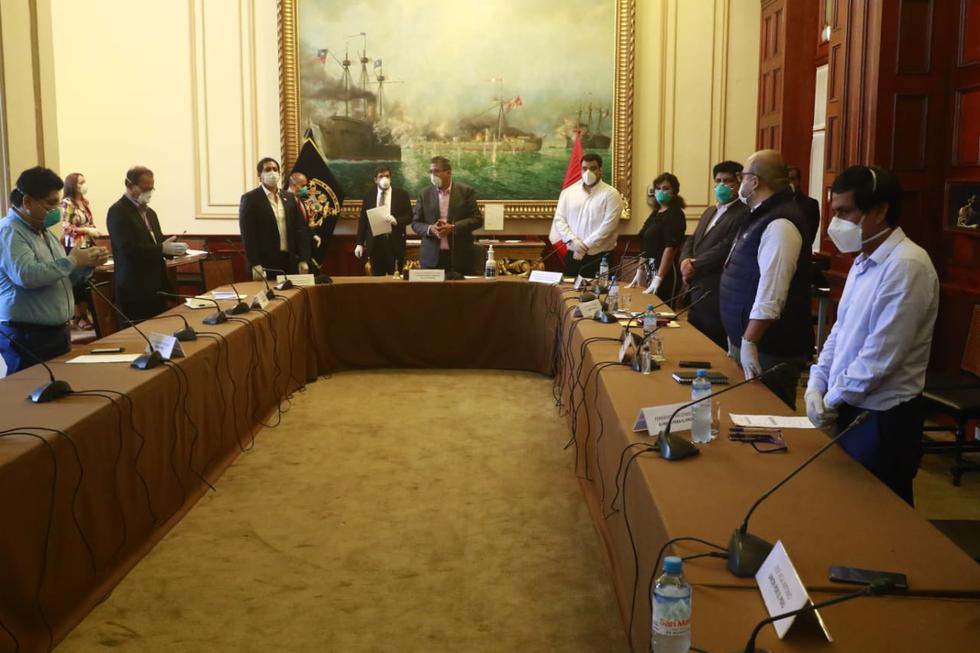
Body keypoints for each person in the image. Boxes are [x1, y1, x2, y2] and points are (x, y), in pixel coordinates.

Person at [806, 166, 938, 506]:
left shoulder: (908, 265)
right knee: (844, 511)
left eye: (846, 212)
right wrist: (816, 384)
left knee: (881, 524)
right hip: (850, 405)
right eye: (834, 213)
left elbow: (881, 357)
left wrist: (830, 401)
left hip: (883, 418)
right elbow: (840, 330)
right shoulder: (863, 261)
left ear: (880, 210)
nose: (837, 224)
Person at [719, 149, 813, 409]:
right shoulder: (759, 213)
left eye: (742, 176)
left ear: (755, 181)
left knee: (766, 421)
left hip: (769, 348)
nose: (740, 182)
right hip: (749, 340)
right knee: (743, 415)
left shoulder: (781, 223)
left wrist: (749, 340)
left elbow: (772, 291)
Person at [0, 167, 108, 374]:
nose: (55, 211)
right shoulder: (9, 231)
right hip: (27, 334)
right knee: (32, 397)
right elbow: (27, 276)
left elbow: (63, 277)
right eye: (50, 203)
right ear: (27, 202)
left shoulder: (44, 232)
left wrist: (86, 265)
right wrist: (73, 260)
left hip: (56, 331)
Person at [678, 161, 750, 349]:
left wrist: (694, 265)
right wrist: (684, 260)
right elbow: (692, 240)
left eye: (727, 181)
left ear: (738, 183)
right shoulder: (710, 211)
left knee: (713, 346)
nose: (722, 185)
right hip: (696, 290)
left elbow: (725, 248)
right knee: (694, 344)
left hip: (716, 289)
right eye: (718, 181)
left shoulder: (743, 213)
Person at [106, 166, 187, 323]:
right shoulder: (118, 211)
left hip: (156, 287)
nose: (148, 193)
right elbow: (127, 248)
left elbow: (157, 243)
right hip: (134, 289)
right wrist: (161, 248)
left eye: (151, 188)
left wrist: (172, 248)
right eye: (144, 188)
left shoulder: (150, 213)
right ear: (129, 185)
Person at [549, 153, 623, 278]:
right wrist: (573, 241)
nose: (588, 172)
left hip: (599, 258)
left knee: (598, 295)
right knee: (569, 294)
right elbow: (560, 220)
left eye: (593, 168)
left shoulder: (611, 194)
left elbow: (608, 226)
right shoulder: (568, 193)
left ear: (600, 170)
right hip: (573, 255)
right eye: (584, 168)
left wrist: (584, 246)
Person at [239, 158, 311, 280]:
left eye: (275, 169)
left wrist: (304, 259)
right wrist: (255, 264)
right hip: (266, 264)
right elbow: (248, 235)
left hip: (290, 260)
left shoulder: (289, 197)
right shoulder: (250, 199)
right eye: (267, 170)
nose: (272, 172)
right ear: (259, 175)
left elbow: (300, 229)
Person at [411, 156, 483, 275]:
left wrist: (453, 227)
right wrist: (430, 229)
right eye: (431, 171)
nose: (433, 175)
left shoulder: (465, 192)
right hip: (431, 258)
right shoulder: (424, 194)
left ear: (448, 172)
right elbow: (415, 223)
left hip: (459, 257)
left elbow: (477, 219)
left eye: (436, 171)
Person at [634, 172, 686, 304]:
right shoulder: (656, 213)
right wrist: (640, 271)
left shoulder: (675, 214)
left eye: (666, 188)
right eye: (658, 188)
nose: (660, 191)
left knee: (661, 314)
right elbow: (645, 243)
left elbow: (670, 248)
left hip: (666, 274)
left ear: (674, 191)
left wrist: (659, 278)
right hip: (650, 270)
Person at [60, 172, 102, 330]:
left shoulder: (84, 202)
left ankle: (85, 313)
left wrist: (92, 230)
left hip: (88, 244)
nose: (84, 185)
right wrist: (85, 230)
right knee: (77, 281)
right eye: (80, 183)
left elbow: (90, 222)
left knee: (87, 281)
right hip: (75, 246)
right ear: (72, 185)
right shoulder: (68, 203)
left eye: (84, 181)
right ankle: (78, 316)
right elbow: (67, 227)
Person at [356, 166, 412, 276]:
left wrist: (396, 221)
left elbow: (410, 216)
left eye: (387, 176)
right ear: (375, 179)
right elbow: (363, 221)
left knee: (396, 281)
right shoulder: (369, 196)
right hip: (375, 245)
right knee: (377, 283)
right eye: (381, 176)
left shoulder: (402, 194)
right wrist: (359, 243)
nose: (384, 179)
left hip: (394, 243)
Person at [788, 165, 821, 245]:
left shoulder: (810, 204)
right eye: (786, 180)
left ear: (798, 181)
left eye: (792, 179)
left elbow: (810, 236)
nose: (789, 184)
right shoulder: (776, 204)